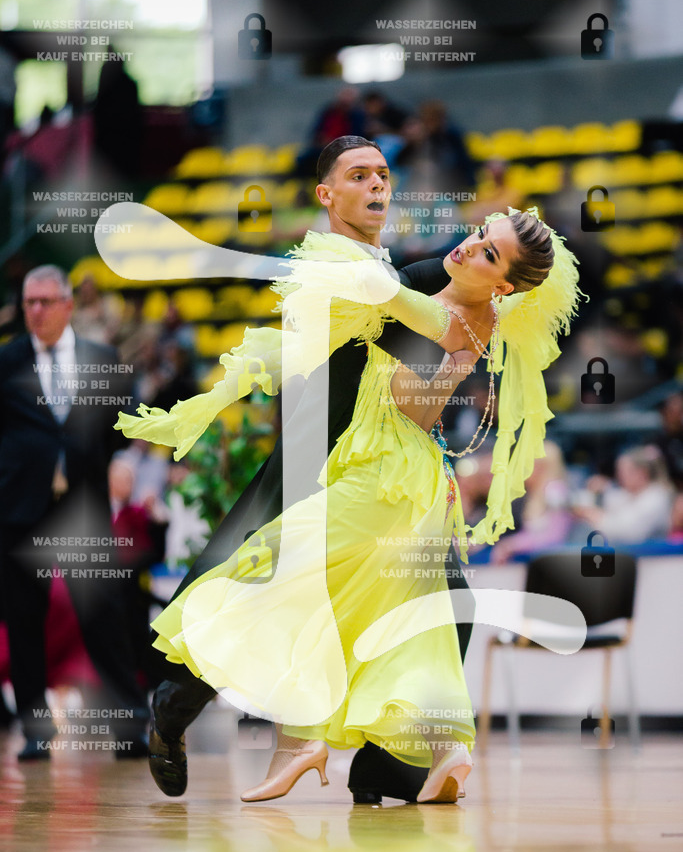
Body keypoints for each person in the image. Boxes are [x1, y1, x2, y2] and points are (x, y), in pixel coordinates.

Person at [118, 149, 581, 802]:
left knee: (446, 606)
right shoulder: (331, 266)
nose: (375, 184)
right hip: (317, 445)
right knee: (245, 574)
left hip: (382, 463)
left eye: (384, 175)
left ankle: (387, 765)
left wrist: (471, 333)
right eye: (358, 175)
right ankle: (174, 708)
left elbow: (438, 351)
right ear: (326, 195)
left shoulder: (412, 272)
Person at [0, 265, 150, 760]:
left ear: (67, 304)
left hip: (83, 505)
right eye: (29, 304)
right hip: (23, 506)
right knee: (25, 621)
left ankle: (130, 725)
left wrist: (125, 461)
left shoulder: (102, 358)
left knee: (103, 614)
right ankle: (35, 731)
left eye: (46, 302)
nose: (37, 311)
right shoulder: (7, 361)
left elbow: (122, 426)